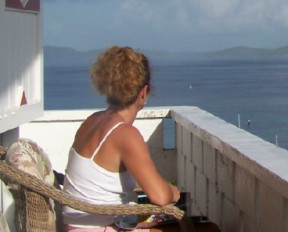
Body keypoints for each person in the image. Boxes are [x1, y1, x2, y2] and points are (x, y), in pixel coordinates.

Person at [62, 46, 220, 231]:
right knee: (208, 229)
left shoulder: (92, 121)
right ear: (143, 93)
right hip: (99, 229)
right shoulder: (125, 134)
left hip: (80, 226)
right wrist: (173, 193)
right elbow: (160, 197)